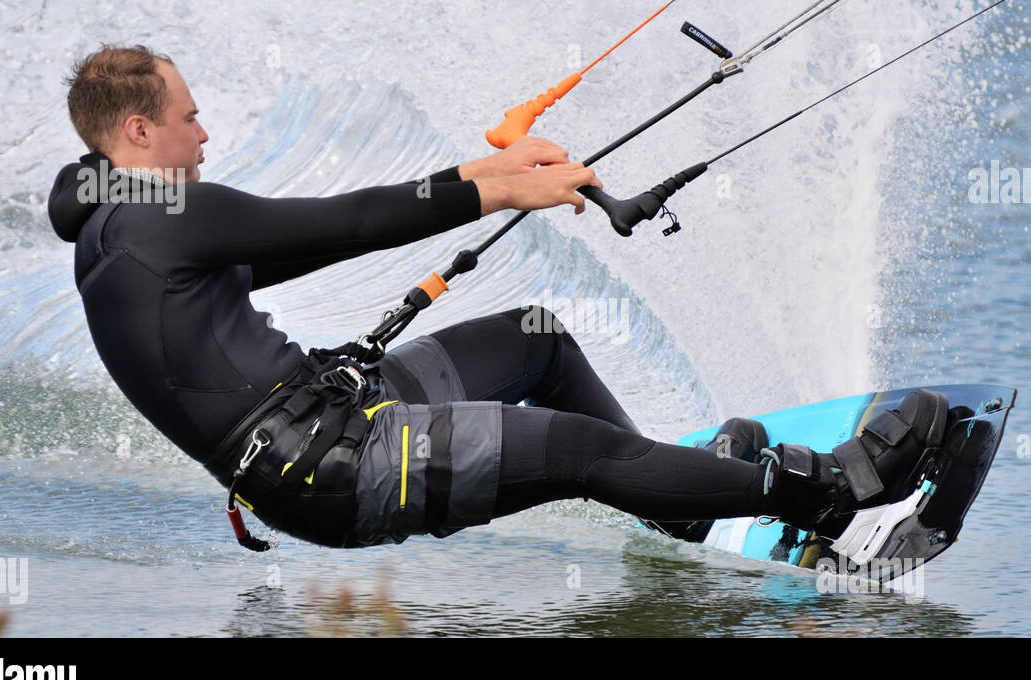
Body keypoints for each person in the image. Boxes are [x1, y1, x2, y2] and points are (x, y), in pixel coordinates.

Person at [48, 44, 953, 555]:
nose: (204, 134)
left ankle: (677, 503)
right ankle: (829, 489)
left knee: (537, 340)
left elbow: (288, 252)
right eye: (188, 116)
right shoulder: (156, 216)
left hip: (331, 415)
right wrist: (493, 187)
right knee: (578, 452)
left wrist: (484, 177)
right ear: (138, 130)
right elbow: (340, 224)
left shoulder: (115, 228)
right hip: (334, 472)